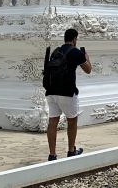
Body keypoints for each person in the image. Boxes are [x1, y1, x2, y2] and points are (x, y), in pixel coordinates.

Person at [44, 28, 92, 161]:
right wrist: (86, 57)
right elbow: (88, 70)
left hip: (51, 92)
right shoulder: (75, 52)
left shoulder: (56, 51)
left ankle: (52, 154)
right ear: (75, 39)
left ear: (65, 38)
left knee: (53, 121)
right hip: (67, 92)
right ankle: (71, 150)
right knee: (72, 120)